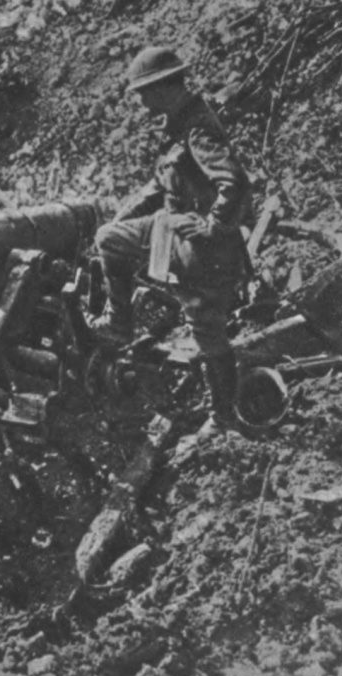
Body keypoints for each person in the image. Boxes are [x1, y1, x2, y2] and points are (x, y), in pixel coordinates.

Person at [92, 46, 254, 441]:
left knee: (207, 331)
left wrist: (214, 226)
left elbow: (235, 182)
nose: (143, 102)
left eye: (145, 93)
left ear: (164, 87)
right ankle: (120, 325)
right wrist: (122, 216)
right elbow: (157, 186)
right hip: (171, 230)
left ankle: (223, 418)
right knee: (109, 238)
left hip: (202, 247)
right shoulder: (178, 125)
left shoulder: (198, 127)